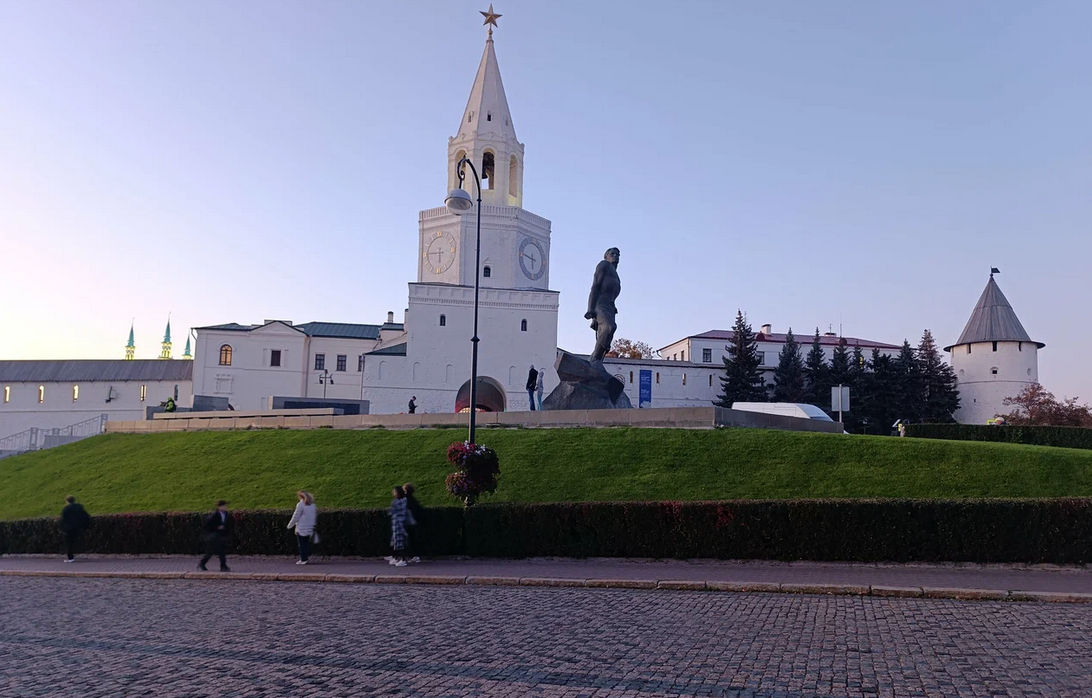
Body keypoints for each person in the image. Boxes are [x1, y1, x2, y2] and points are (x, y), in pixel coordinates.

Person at [585, 247, 621, 363]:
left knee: (608, 336)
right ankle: (594, 359)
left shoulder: (616, 275)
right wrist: (590, 308)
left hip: (610, 306)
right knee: (609, 327)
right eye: (612, 254)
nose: (615, 256)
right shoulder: (604, 265)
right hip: (600, 304)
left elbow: (612, 292)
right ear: (606, 256)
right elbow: (595, 286)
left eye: (618, 254)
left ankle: (598, 361)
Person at [198, 500, 233, 572]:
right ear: (219, 507)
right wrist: (217, 527)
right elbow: (208, 525)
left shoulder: (226, 514)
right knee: (210, 552)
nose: (225, 507)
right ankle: (202, 563)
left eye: (225, 506)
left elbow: (228, 524)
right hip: (214, 537)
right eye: (223, 506)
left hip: (221, 536)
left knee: (222, 551)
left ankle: (223, 566)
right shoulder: (215, 515)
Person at [286, 490, 318, 565]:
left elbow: (296, 516)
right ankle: (305, 557)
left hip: (302, 528)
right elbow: (314, 516)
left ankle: (303, 559)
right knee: (306, 544)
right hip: (310, 528)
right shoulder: (312, 505)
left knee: (302, 544)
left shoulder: (300, 505)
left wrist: (289, 525)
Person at [388, 486, 415, 567]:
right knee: (398, 543)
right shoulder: (404, 501)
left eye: (394, 492)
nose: (393, 493)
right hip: (399, 525)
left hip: (399, 525)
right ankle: (397, 558)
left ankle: (403, 560)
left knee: (400, 543)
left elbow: (394, 512)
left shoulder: (398, 502)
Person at [59, 495, 91, 562]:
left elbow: (63, 519)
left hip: (69, 528)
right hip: (79, 526)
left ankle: (70, 558)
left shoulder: (66, 508)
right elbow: (85, 515)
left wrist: (63, 528)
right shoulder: (79, 507)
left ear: (67, 501)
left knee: (69, 543)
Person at [403, 483, 424, 564]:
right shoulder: (413, 499)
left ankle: (405, 557)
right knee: (412, 540)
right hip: (414, 522)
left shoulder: (406, 500)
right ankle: (414, 556)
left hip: (409, 523)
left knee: (408, 540)